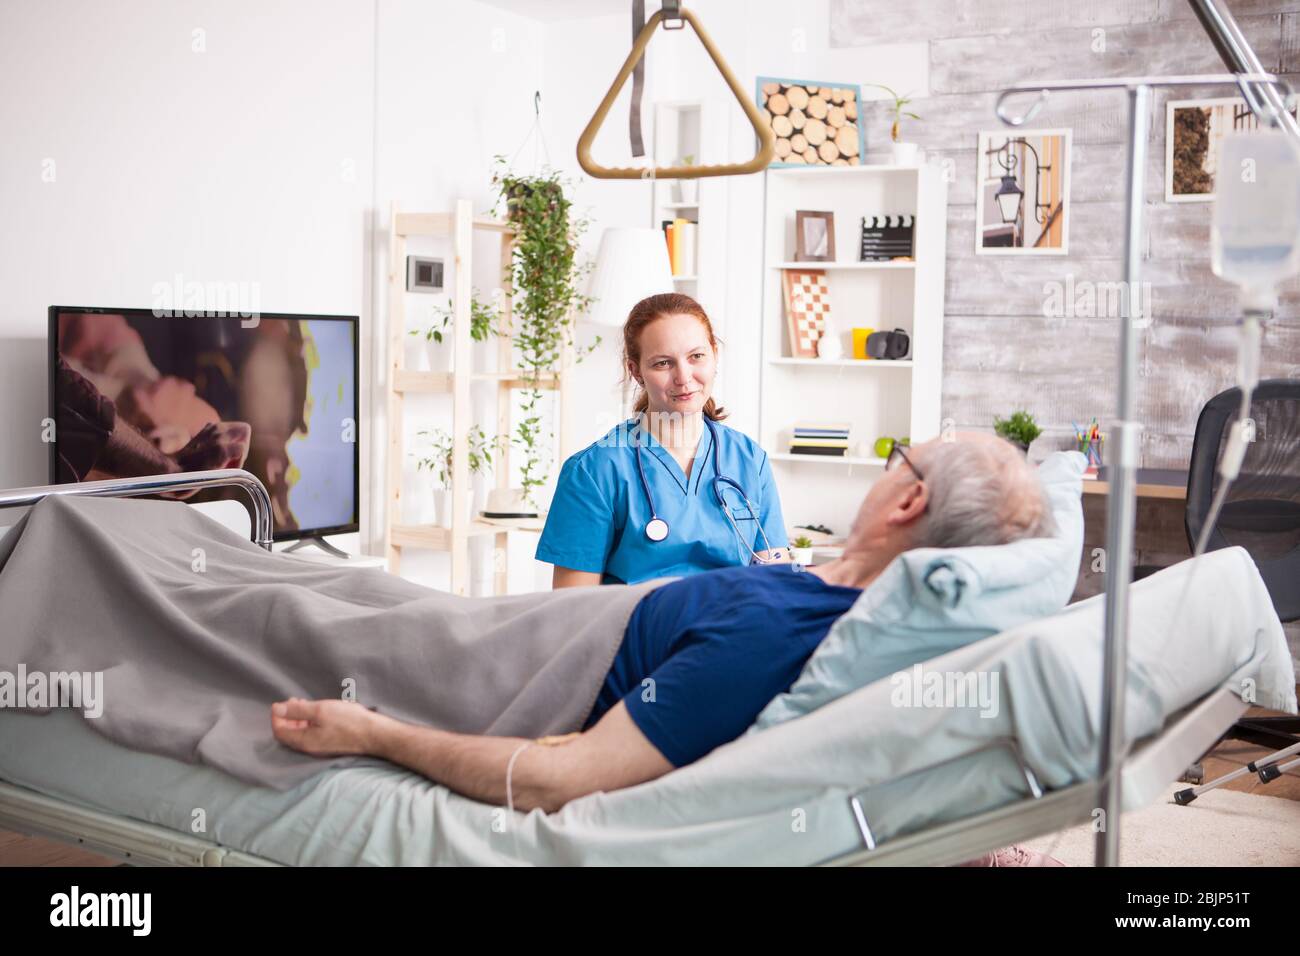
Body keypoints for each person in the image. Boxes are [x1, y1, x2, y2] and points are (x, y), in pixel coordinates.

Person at [272, 432, 1054, 817]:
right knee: (326, 583)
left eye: (899, 459)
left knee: (277, 605)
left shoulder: (778, 634)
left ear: (909, 502)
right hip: (521, 626)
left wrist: (371, 734)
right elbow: (562, 597)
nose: (888, 469)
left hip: (512, 663)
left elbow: (559, 777)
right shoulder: (820, 588)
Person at [534, 292, 789, 587]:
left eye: (696, 356)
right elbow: (574, 609)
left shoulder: (749, 459)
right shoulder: (594, 471)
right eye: (663, 363)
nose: (684, 377)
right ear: (636, 371)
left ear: (714, 355)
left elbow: (774, 582)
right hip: (640, 629)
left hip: (731, 626)